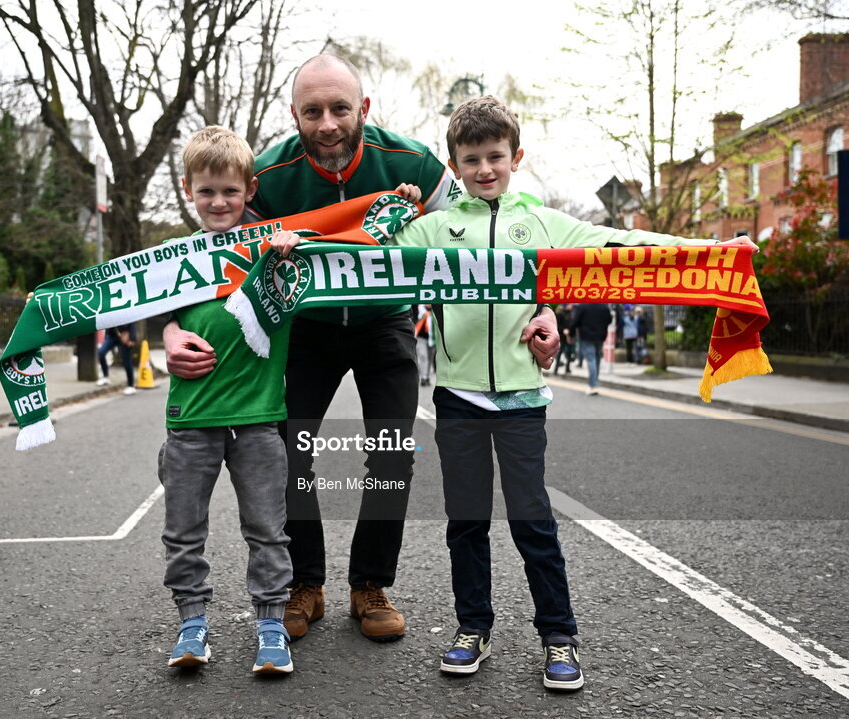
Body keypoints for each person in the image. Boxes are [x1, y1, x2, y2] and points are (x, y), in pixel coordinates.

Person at [273, 95, 757, 689]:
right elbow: (366, 258)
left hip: (523, 398)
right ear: (453, 167)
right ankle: (471, 629)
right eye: (471, 159)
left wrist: (711, 252)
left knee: (534, 523)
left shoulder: (545, 222)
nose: (484, 169)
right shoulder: (434, 228)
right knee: (466, 524)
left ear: (516, 157)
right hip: (457, 400)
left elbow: (614, 244)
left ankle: (559, 637)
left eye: (495, 157)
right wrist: (303, 245)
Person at [164, 54, 563, 644]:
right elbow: (210, 264)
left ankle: (370, 584)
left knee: (392, 454)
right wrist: (171, 332)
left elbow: (486, 238)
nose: (327, 123)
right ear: (294, 115)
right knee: (288, 453)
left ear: (364, 110)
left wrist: (544, 308)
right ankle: (305, 583)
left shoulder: (413, 163)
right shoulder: (266, 176)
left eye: (339, 109)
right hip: (305, 328)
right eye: (313, 111)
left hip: (384, 324)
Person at [158, 126, 301, 675]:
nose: (219, 203)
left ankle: (271, 625)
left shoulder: (275, 245)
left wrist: (287, 256)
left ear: (250, 189)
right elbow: (152, 312)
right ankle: (191, 622)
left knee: (267, 528)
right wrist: (168, 336)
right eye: (206, 192)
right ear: (188, 190)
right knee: (183, 529)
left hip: (259, 417)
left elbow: (327, 270)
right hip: (191, 416)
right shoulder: (172, 256)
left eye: (231, 192)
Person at [572, 303, 612, 395]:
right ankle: (595, 382)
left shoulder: (583, 306)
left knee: (591, 360)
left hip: (586, 336)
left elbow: (575, 321)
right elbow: (609, 320)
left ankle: (593, 385)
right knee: (597, 359)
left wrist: (571, 332)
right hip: (601, 336)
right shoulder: (604, 306)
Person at [96, 324, 137, 395]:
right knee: (101, 353)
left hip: (125, 334)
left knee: (127, 360)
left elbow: (132, 323)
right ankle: (106, 376)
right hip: (112, 335)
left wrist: (132, 338)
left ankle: (131, 385)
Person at [414, 304, 436, 386]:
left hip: (433, 339)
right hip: (420, 337)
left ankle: (426, 376)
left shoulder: (435, 310)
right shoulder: (418, 309)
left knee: (430, 358)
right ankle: (423, 378)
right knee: (423, 356)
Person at [553, 304, 575, 375]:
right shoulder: (560, 313)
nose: (571, 306)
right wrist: (563, 330)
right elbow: (557, 325)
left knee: (569, 353)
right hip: (562, 336)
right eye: (570, 304)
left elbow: (573, 324)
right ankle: (556, 369)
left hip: (570, 336)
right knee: (560, 352)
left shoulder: (571, 313)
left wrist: (571, 331)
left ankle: (567, 368)